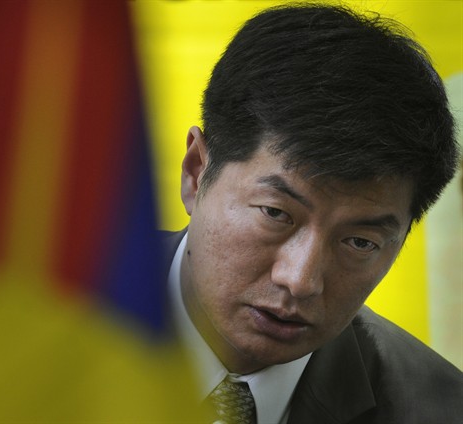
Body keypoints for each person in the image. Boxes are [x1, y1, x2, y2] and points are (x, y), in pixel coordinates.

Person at [164, 3, 463, 423]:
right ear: (196, 173)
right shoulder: (70, 320)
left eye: (359, 242)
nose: (300, 280)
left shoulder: (441, 411)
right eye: (275, 213)